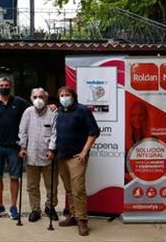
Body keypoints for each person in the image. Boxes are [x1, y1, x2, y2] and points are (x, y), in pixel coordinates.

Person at [54, 86, 100, 236]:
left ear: (73, 96)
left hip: (77, 157)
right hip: (61, 156)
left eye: (67, 95)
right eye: (62, 95)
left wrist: (84, 151)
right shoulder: (59, 111)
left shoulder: (83, 110)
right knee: (68, 189)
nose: (64, 97)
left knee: (78, 189)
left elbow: (94, 131)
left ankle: (82, 220)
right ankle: (73, 216)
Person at [0, 77, 29, 220]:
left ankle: (13, 206)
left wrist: (50, 106)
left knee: (14, 177)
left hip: (14, 147)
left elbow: (34, 110)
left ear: (11, 87)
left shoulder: (19, 103)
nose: (4, 87)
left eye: (6, 85)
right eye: (1, 85)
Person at [18, 88, 59, 222]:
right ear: (31, 98)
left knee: (51, 185)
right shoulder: (28, 112)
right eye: (35, 97)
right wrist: (22, 147)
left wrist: (51, 150)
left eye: (41, 96)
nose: (38, 99)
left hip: (48, 156)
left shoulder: (53, 113)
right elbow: (22, 131)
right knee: (32, 186)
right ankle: (35, 209)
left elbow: (55, 133)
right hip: (31, 156)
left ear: (46, 99)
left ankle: (50, 207)